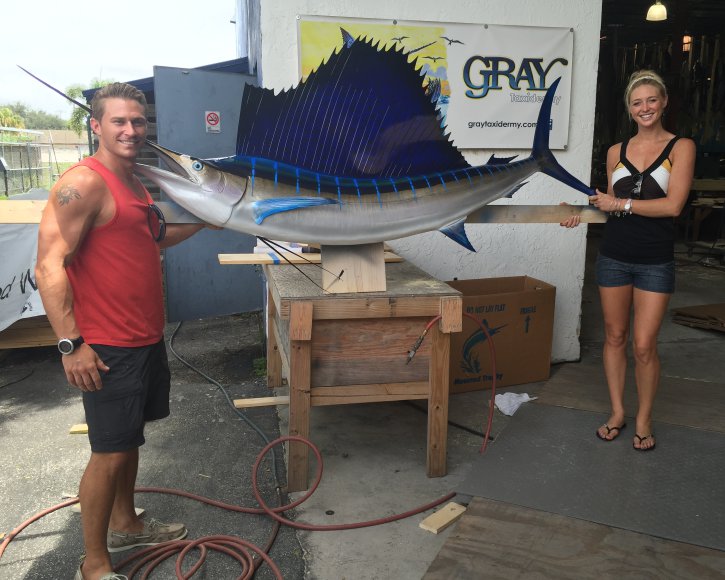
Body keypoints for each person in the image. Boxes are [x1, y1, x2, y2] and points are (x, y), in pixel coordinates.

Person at [36, 83, 212, 580]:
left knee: (127, 441)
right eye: (119, 121)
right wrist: (72, 344)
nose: (131, 130)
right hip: (106, 343)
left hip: (144, 337)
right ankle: (94, 563)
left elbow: (155, 236)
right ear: (96, 126)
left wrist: (208, 220)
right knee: (108, 452)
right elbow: (49, 265)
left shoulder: (135, 182)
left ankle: (126, 521)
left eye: (138, 121)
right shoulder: (84, 184)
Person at [561, 70, 695, 452]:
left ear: (664, 101)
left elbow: (673, 206)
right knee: (615, 336)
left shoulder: (681, 147)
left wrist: (619, 202)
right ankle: (619, 412)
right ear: (629, 109)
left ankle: (645, 417)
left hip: (655, 260)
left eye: (652, 100)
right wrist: (580, 212)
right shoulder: (615, 152)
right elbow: (608, 210)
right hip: (614, 256)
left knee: (643, 345)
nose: (645, 108)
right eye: (637, 103)